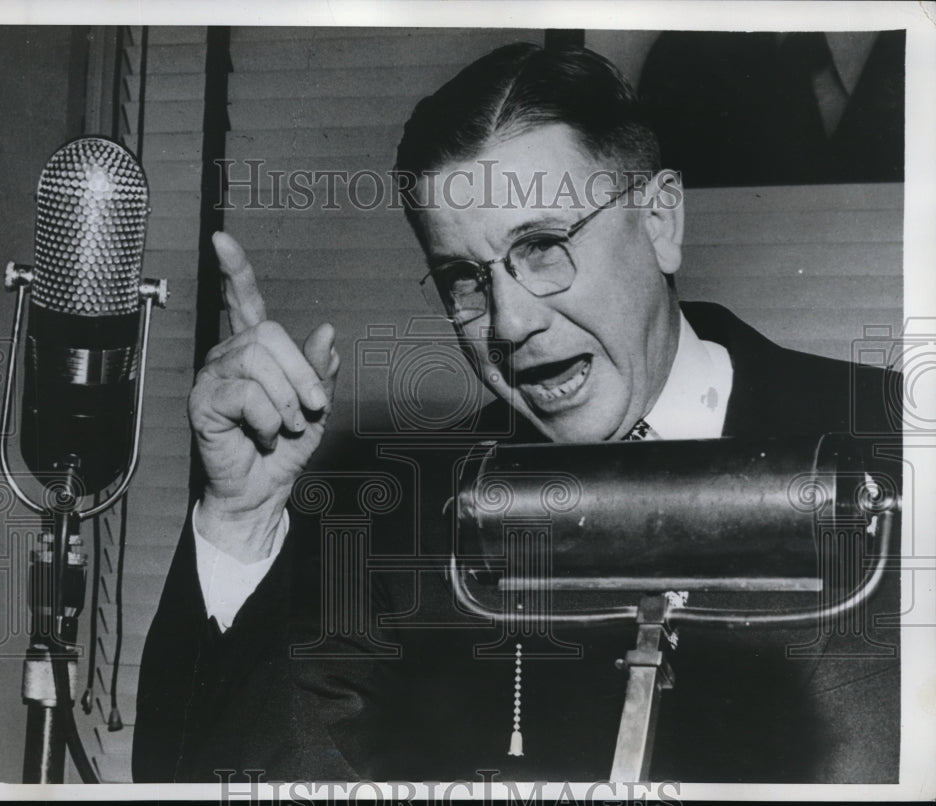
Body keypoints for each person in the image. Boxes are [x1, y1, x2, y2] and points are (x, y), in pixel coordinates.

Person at [133, 43, 901, 784]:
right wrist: (241, 518)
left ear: (661, 220)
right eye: (464, 278)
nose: (507, 322)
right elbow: (207, 776)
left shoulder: (899, 444)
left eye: (541, 246)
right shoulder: (405, 526)